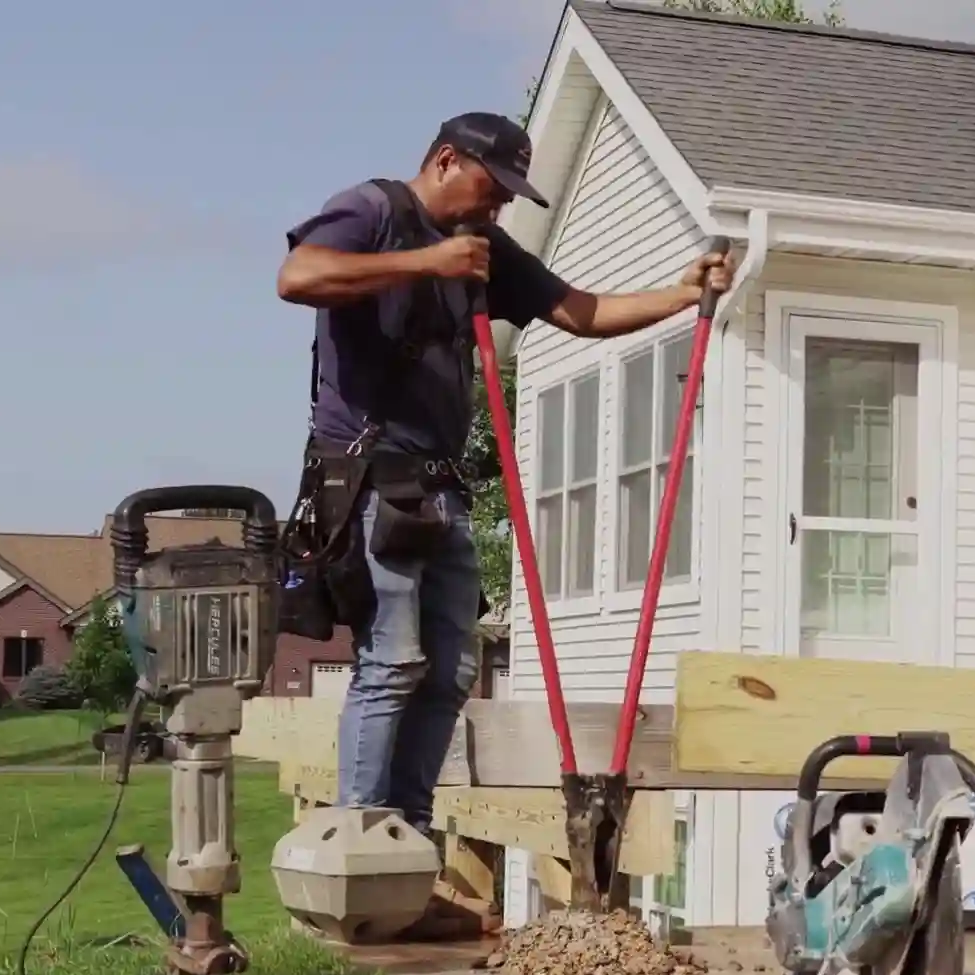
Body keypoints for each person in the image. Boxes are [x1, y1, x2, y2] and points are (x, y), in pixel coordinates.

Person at [276, 110, 730, 843]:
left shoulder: (481, 245)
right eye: (494, 187)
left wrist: (681, 296)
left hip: (442, 488)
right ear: (448, 161)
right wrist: (426, 263)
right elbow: (298, 277)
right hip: (370, 480)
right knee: (391, 661)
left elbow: (580, 311)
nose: (501, 205)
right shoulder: (374, 211)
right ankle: (360, 847)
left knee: (452, 669)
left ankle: (408, 843)